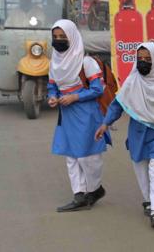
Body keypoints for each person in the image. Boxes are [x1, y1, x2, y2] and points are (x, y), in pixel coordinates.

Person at [95, 42, 154, 229]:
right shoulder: (133, 80)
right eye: (140, 59)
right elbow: (118, 104)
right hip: (138, 134)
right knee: (141, 169)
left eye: (147, 59)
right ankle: (148, 200)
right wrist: (105, 124)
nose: (143, 62)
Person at [47, 19, 111, 212]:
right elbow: (52, 86)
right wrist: (52, 97)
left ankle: (95, 189)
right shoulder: (54, 62)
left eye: (62, 37)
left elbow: (97, 89)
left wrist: (75, 96)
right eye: (55, 37)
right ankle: (79, 195)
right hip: (66, 115)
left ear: (72, 37)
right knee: (71, 156)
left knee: (87, 156)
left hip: (86, 114)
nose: (58, 41)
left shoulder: (86, 62)